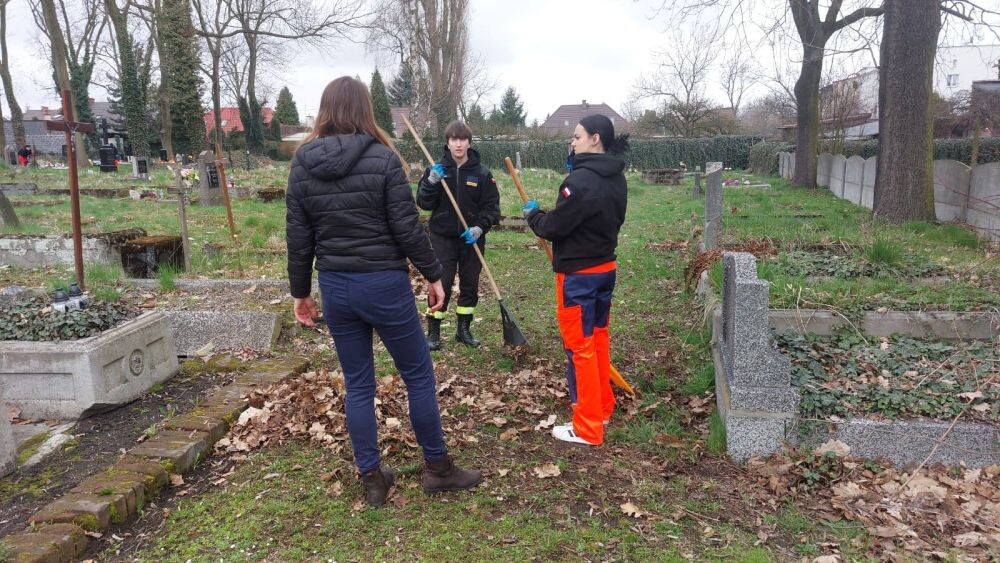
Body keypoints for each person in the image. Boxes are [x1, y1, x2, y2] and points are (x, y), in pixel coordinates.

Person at [286, 76, 481, 507]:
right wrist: (433, 274)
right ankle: (438, 468)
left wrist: (300, 292)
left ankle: (373, 478)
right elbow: (406, 226)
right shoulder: (383, 158)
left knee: (358, 384)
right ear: (365, 109)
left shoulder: (303, 163)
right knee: (417, 374)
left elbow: (298, 236)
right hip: (384, 285)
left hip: (337, 286)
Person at [523, 114, 629, 446]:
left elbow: (555, 227)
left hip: (579, 278)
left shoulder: (580, 181)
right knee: (597, 342)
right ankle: (602, 408)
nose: (572, 141)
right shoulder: (617, 178)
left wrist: (534, 216)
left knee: (578, 349)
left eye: (577, 136)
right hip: (604, 270)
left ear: (595, 139)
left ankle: (587, 427)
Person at [416, 121, 500, 350]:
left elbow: (492, 209)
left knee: (470, 284)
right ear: (448, 142)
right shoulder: (436, 170)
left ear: (469, 142)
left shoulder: (483, 174)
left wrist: (480, 228)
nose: (458, 143)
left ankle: (463, 329)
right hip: (442, 237)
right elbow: (423, 203)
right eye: (454, 139)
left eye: (462, 139)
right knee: (440, 282)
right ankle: (433, 331)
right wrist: (431, 183)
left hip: (471, 239)